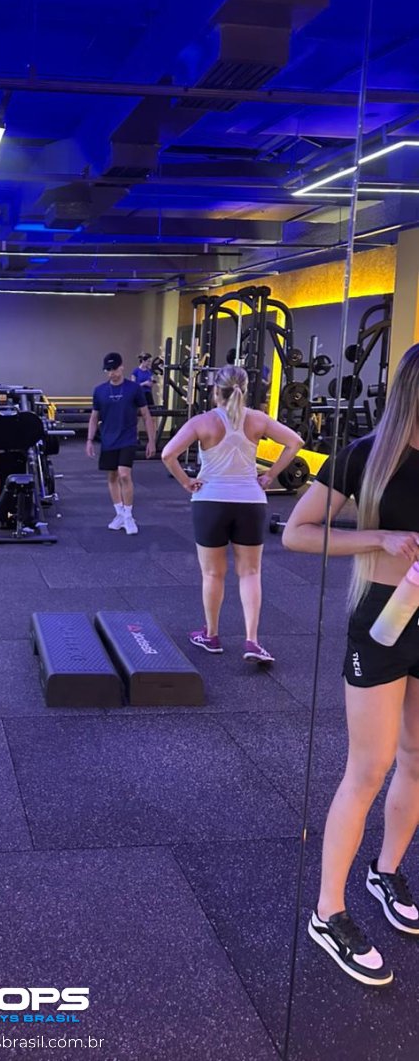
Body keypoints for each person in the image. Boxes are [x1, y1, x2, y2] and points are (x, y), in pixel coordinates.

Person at [283, 342, 419, 987]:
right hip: (382, 623)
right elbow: (298, 532)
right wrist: (379, 539)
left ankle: (386, 870)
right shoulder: (367, 455)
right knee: (369, 767)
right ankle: (328, 911)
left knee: (417, 759)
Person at [161, 364, 303, 663]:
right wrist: (270, 475)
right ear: (245, 390)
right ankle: (252, 641)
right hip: (250, 502)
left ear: (216, 391)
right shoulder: (258, 419)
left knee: (213, 573)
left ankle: (211, 635)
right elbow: (295, 442)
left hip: (210, 501)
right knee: (250, 572)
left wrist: (186, 481)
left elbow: (168, 454)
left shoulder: (203, 422)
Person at [86, 352, 156, 535]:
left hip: (128, 438)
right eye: (108, 370)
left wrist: (151, 441)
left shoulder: (134, 389)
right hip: (108, 439)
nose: (112, 373)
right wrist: (89, 440)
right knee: (112, 476)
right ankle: (120, 514)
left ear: (122, 367)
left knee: (124, 475)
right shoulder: (99, 391)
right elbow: (94, 418)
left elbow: (146, 415)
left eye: (114, 369)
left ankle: (129, 515)